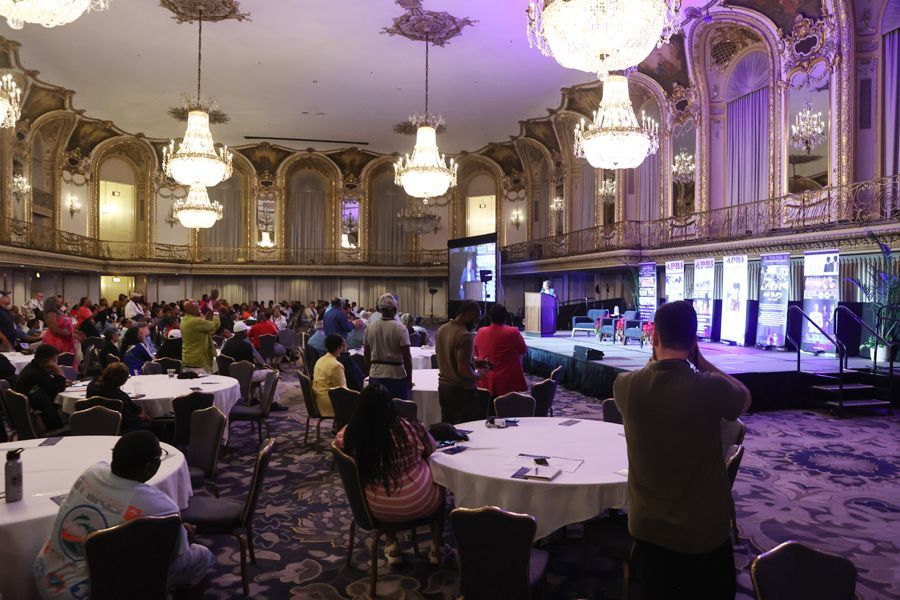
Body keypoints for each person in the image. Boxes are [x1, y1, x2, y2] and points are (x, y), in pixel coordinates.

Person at [613, 300, 751, 599]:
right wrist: (699, 361)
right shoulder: (710, 387)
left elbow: (653, 375)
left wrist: (659, 356)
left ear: (654, 338)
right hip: (703, 532)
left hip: (648, 529)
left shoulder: (625, 386)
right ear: (692, 342)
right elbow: (744, 397)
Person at [34, 431, 214, 599]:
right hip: (91, 592)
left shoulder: (92, 472)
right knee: (201, 556)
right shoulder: (162, 507)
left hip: (46, 574)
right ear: (150, 466)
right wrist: (184, 534)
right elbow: (178, 553)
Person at [334, 384, 445, 565]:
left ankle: (392, 544)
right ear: (390, 406)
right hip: (421, 501)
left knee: (383, 485)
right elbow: (432, 449)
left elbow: (339, 447)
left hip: (376, 508)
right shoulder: (408, 427)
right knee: (441, 483)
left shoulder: (353, 433)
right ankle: (437, 547)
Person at [435, 300, 486, 424]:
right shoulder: (465, 336)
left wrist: (474, 362)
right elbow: (463, 371)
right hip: (462, 391)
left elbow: (451, 357)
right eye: (476, 319)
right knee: (468, 431)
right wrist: (479, 374)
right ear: (467, 314)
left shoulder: (442, 329)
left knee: (448, 430)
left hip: (444, 388)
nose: (476, 323)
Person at [364, 293, 413, 400]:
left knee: (377, 410)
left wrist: (370, 370)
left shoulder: (370, 328)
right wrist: (409, 379)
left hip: (375, 373)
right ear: (394, 309)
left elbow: (366, 353)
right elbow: (406, 356)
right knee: (398, 410)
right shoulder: (401, 328)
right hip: (396, 375)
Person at [474, 304, 528, 398]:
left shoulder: (480, 332)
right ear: (505, 317)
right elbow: (523, 350)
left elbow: (476, 353)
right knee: (507, 411)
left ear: (490, 317)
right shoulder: (513, 332)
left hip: (485, 380)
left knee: (486, 410)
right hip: (507, 382)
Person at [14, 344, 67, 430]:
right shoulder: (35, 374)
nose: (56, 363)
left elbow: (51, 386)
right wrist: (58, 370)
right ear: (46, 361)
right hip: (42, 414)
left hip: (30, 406)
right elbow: (58, 390)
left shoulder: (33, 367)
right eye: (55, 360)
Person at [86, 362, 151, 433]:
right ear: (123, 381)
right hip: (120, 429)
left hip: (91, 426)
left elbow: (134, 407)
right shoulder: (119, 396)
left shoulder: (91, 386)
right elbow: (127, 420)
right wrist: (140, 417)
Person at [311, 334, 347, 418]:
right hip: (329, 403)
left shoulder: (320, 360)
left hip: (318, 399)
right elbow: (342, 390)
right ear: (339, 347)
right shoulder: (336, 365)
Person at [180, 300, 219, 373]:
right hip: (198, 363)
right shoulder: (195, 322)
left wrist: (205, 319)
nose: (200, 308)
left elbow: (199, 327)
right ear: (190, 309)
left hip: (188, 360)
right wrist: (216, 311)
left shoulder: (184, 320)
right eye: (197, 307)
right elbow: (215, 325)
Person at [41, 295, 77, 360]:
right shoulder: (51, 313)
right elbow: (54, 329)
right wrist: (69, 333)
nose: (60, 302)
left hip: (65, 339)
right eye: (58, 301)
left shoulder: (59, 312)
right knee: (58, 360)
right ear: (53, 303)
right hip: (55, 340)